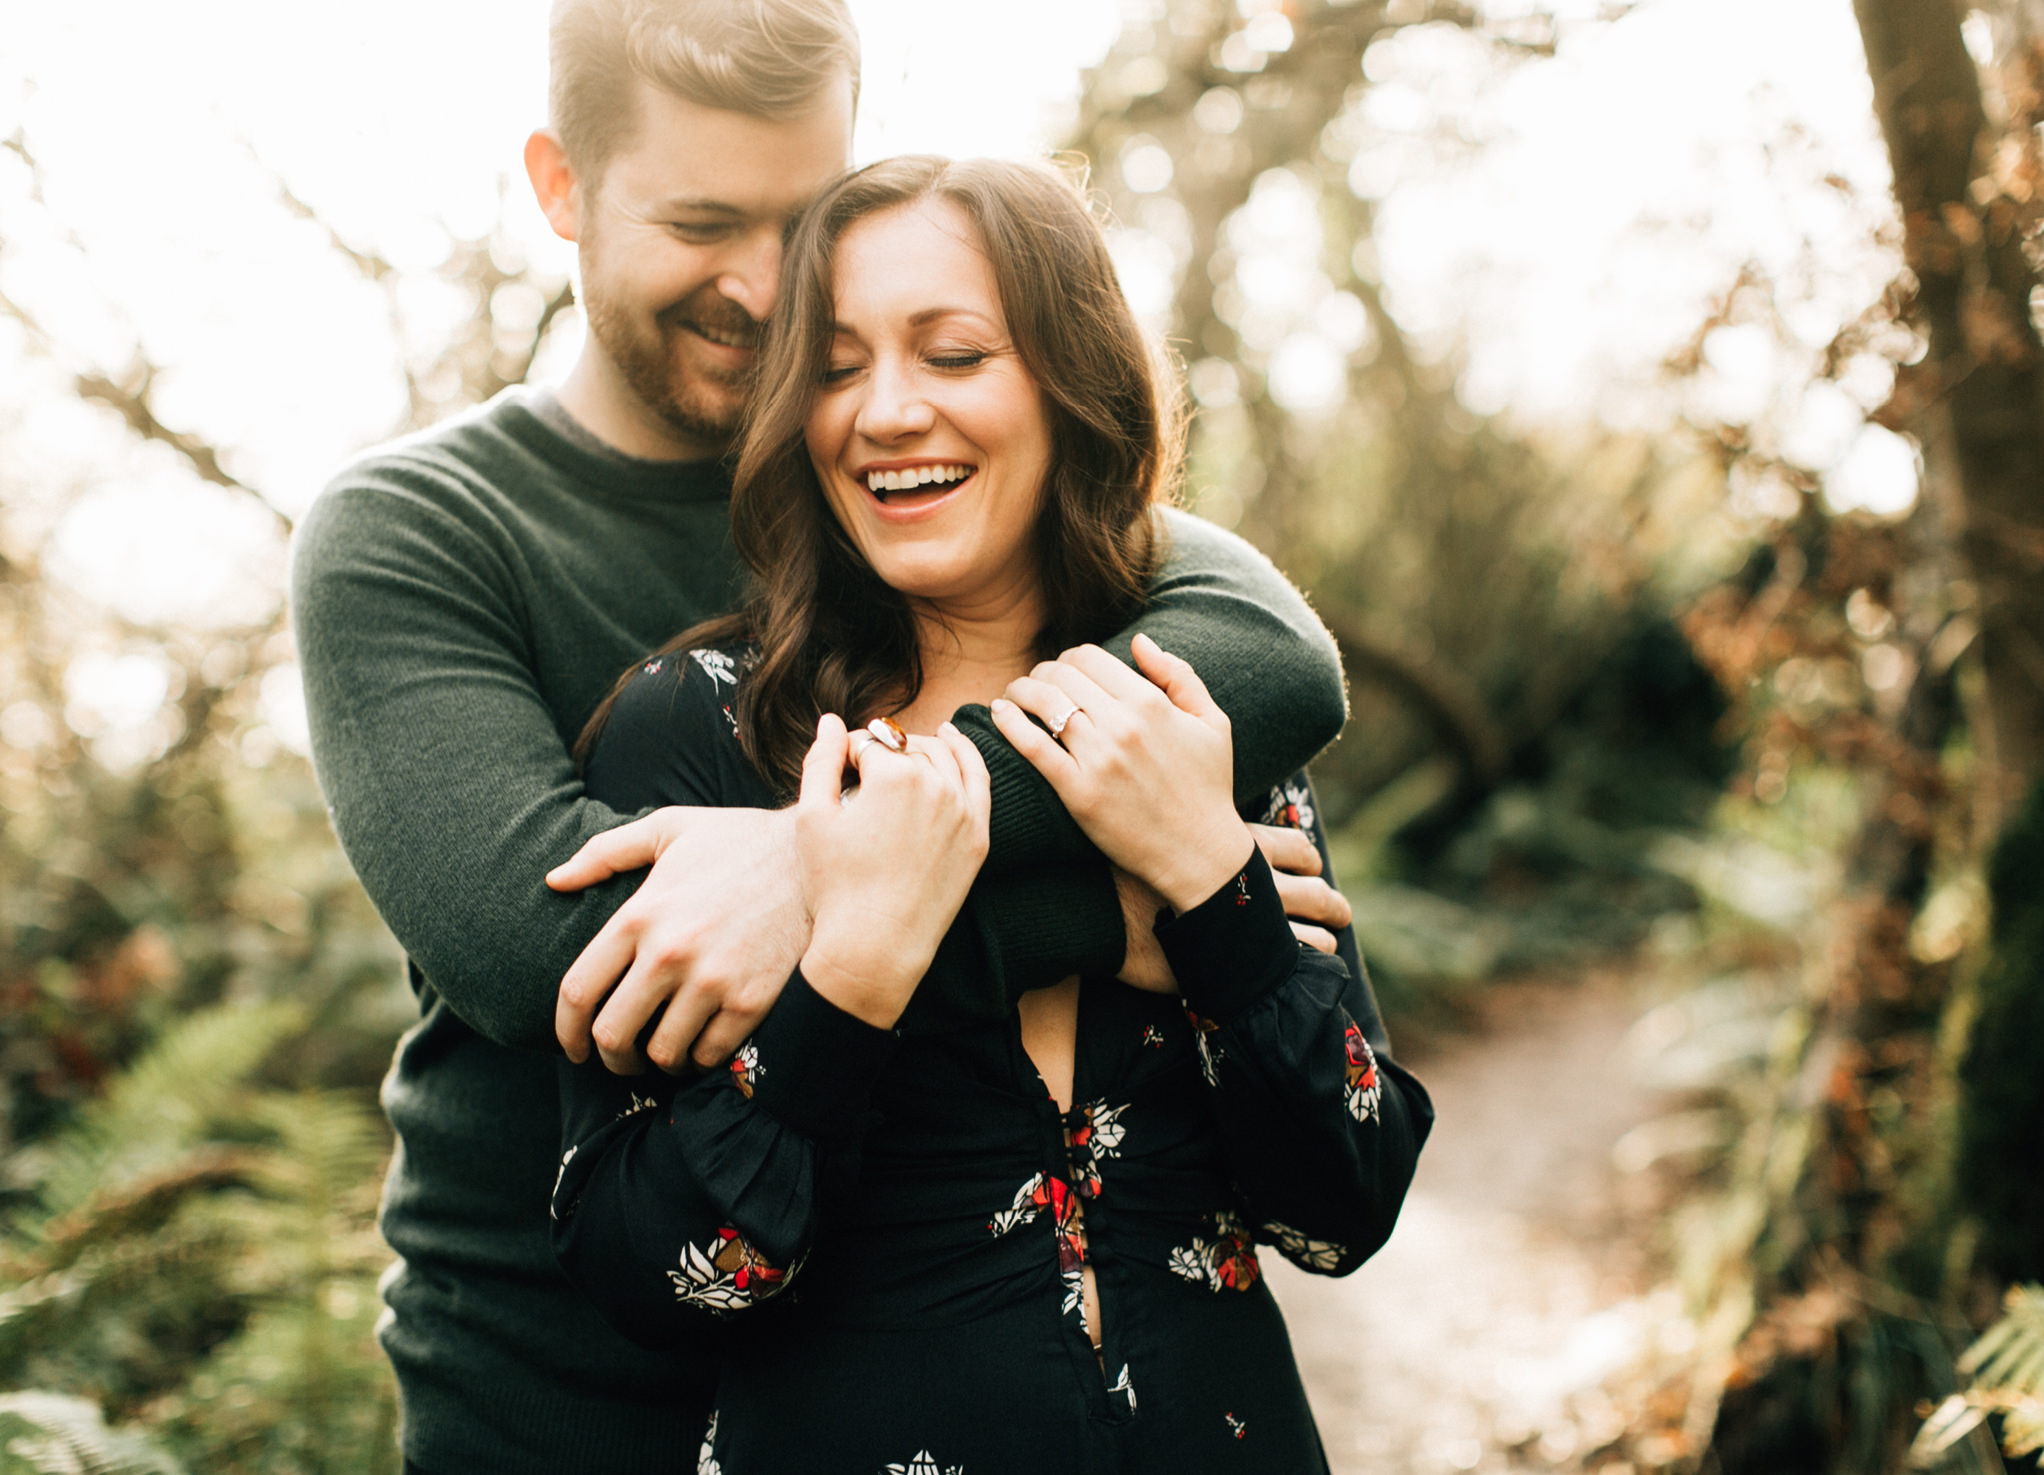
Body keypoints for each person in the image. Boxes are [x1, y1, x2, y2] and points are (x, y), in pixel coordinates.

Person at [290, 2, 1362, 1471]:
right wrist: (1129, 905)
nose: (759, 285)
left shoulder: (926, 486)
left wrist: (830, 856)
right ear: (560, 188)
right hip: (560, 1396)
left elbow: (1275, 661)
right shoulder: (420, 529)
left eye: (801, 224)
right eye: (701, 221)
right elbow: (566, 958)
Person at [550, 155, 1432, 1474]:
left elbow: (1341, 1210)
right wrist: (848, 976)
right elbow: (646, 1283)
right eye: (837, 368)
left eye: (954, 354)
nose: (886, 411)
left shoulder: (1186, 721)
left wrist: (1208, 885)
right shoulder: (703, 736)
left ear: (1069, 386)